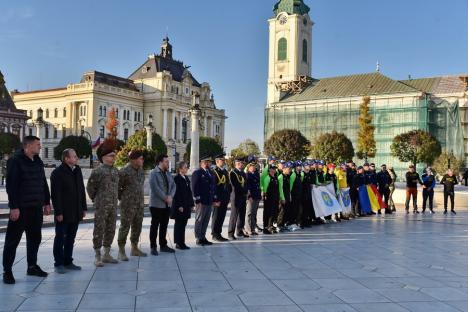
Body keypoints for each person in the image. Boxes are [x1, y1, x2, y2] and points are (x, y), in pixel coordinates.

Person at [3, 136, 51, 285]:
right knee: (12, 241)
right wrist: (14, 207)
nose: (40, 147)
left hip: (36, 208)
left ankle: (32, 266)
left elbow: (43, 182)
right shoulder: (15, 161)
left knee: (35, 239)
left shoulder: (37, 161)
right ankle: (7, 271)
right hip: (21, 209)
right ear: (28, 146)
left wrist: (46, 202)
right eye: (38, 145)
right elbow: (11, 185)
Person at [51, 148, 87, 274]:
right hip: (64, 213)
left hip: (76, 211)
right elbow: (56, 195)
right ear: (66, 159)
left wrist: (83, 207)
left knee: (71, 238)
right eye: (74, 156)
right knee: (60, 238)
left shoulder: (77, 170)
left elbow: (81, 190)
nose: (76, 158)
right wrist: (58, 212)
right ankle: (59, 263)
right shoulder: (57, 173)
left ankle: (68, 261)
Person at [87, 140, 119, 267]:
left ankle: (107, 253)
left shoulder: (116, 171)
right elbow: (90, 188)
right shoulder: (98, 171)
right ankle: (97, 255)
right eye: (111, 155)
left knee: (111, 229)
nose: (113, 157)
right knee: (99, 229)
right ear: (104, 157)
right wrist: (96, 199)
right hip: (101, 205)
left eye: (114, 155)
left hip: (113, 205)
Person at [117, 150, 147, 261]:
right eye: (141, 158)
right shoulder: (124, 171)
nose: (142, 160)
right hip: (127, 205)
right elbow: (117, 188)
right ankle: (121, 250)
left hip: (139, 204)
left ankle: (134, 248)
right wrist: (124, 198)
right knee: (125, 226)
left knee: (137, 226)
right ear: (134, 160)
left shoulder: (141, 170)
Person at [149, 154, 176, 255]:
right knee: (155, 226)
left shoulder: (168, 173)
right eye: (166, 161)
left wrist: (171, 197)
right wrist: (165, 197)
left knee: (164, 225)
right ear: (160, 162)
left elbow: (174, 186)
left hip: (167, 204)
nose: (168, 163)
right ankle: (153, 246)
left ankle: (163, 245)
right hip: (156, 204)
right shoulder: (153, 173)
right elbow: (155, 188)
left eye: (168, 162)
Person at [192, 155, 216, 246]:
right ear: (201, 163)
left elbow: (212, 186)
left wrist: (213, 198)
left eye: (208, 162)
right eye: (205, 162)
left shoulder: (210, 173)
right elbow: (194, 187)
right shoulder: (197, 173)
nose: (207, 164)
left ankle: (203, 236)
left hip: (209, 200)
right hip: (201, 201)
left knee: (206, 220)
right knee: (199, 219)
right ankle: (198, 237)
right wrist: (197, 200)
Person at [171, 161, 194, 250]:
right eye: (185, 167)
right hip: (180, 206)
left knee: (183, 224)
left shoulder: (186, 178)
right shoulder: (177, 179)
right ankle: (178, 242)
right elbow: (176, 193)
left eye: (187, 167)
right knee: (179, 224)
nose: (187, 168)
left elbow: (189, 192)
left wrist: (191, 204)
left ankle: (182, 242)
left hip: (186, 205)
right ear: (180, 169)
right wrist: (179, 205)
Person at [211, 154, 231, 242]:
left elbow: (227, 184)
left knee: (222, 216)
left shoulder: (225, 171)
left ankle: (219, 233)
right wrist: (215, 199)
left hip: (225, 198)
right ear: (217, 161)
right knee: (216, 216)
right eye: (221, 160)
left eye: (224, 160)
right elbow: (213, 186)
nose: (223, 161)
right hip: (218, 198)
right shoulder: (214, 172)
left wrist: (228, 195)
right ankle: (214, 234)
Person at [228, 158, 249, 239]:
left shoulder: (243, 173)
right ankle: (230, 233)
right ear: (236, 163)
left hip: (243, 196)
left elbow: (246, 183)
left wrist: (246, 191)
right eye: (240, 163)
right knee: (234, 215)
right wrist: (243, 190)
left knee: (242, 215)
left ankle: (239, 231)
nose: (242, 165)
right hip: (236, 196)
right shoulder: (233, 173)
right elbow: (235, 185)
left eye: (242, 163)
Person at [261, 165, 282, 234]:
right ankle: (267, 227)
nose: (274, 170)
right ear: (269, 170)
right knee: (268, 213)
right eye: (272, 169)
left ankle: (272, 226)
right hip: (269, 198)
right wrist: (265, 196)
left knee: (274, 212)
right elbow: (265, 189)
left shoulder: (275, 178)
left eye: (275, 169)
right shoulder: (267, 178)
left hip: (275, 197)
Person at [246, 161, 261, 235]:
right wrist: (249, 196)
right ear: (249, 167)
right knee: (249, 213)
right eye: (251, 166)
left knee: (254, 213)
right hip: (251, 197)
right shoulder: (247, 175)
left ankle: (253, 229)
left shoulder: (256, 174)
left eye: (254, 166)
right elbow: (247, 187)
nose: (253, 168)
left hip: (257, 195)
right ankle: (248, 229)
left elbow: (258, 185)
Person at [277, 162, 293, 231]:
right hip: (282, 197)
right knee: (281, 212)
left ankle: (283, 224)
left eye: (290, 169)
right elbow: (280, 188)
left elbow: (288, 188)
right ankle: (279, 225)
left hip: (287, 196)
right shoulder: (281, 177)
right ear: (284, 169)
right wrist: (282, 198)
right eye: (289, 169)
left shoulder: (287, 176)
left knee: (286, 211)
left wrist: (289, 196)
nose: (290, 170)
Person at [289, 161, 304, 229]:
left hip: (300, 195)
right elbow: (290, 186)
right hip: (294, 196)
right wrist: (290, 195)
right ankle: (293, 223)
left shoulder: (300, 174)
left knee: (300, 210)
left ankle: (298, 222)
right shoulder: (293, 175)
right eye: (298, 166)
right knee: (294, 210)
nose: (300, 167)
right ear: (295, 167)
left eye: (300, 166)